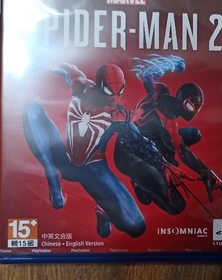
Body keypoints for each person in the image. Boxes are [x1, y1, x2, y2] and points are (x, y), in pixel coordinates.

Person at [23, 63, 145, 238]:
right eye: (109, 91)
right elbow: (69, 70)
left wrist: (134, 128)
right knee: (32, 108)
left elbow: (137, 140)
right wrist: (49, 65)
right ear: (99, 85)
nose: (115, 98)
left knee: (136, 226)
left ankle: (103, 212)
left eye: (120, 92)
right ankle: (52, 174)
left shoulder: (118, 115)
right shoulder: (82, 87)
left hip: (94, 169)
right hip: (65, 159)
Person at [114, 56, 222, 215]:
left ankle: (158, 166)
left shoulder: (160, 91)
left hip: (150, 139)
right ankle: (139, 182)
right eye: (190, 105)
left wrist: (167, 65)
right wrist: (203, 170)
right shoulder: (168, 123)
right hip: (128, 149)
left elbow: (148, 76)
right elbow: (183, 151)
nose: (192, 110)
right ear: (183, 101)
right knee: (175, 205)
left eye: (195, 107)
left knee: (193, 134)